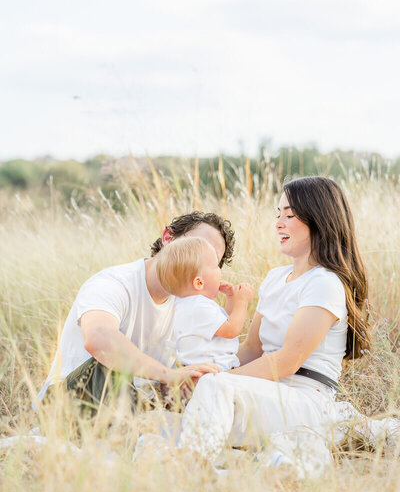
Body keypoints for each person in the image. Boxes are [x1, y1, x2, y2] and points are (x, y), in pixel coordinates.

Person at [177, 176, 372, 462]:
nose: (279, 223)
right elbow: (251, 350)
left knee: (213, 389)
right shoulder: (275, 278)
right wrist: (202, 372)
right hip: (266, 393)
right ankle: (224, 463)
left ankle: (191, 471)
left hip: (306, 400)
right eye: (278, 214)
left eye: (289, 215)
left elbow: (288, 361)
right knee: (171, 419)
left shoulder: (325, 283)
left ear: (319, 219)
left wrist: (218, 380)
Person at [35, 211, 235, 412]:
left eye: (212, 260)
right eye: (196, 245)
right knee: (111, 367)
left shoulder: (190, 307)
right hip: (71, 398)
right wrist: (167, 374)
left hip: (135, 405)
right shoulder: (113, 282)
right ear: (168, 238)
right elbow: (99, 340)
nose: (198, 256)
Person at [156, 236, 254, 372]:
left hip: (208, 369)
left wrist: (230, 297)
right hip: (215, 371)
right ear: (199, 282)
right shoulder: (198, 306)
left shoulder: (184, 304)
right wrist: (242, 301)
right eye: (215, 266)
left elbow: (222, 326)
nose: (220, 270)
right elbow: (231, 330)